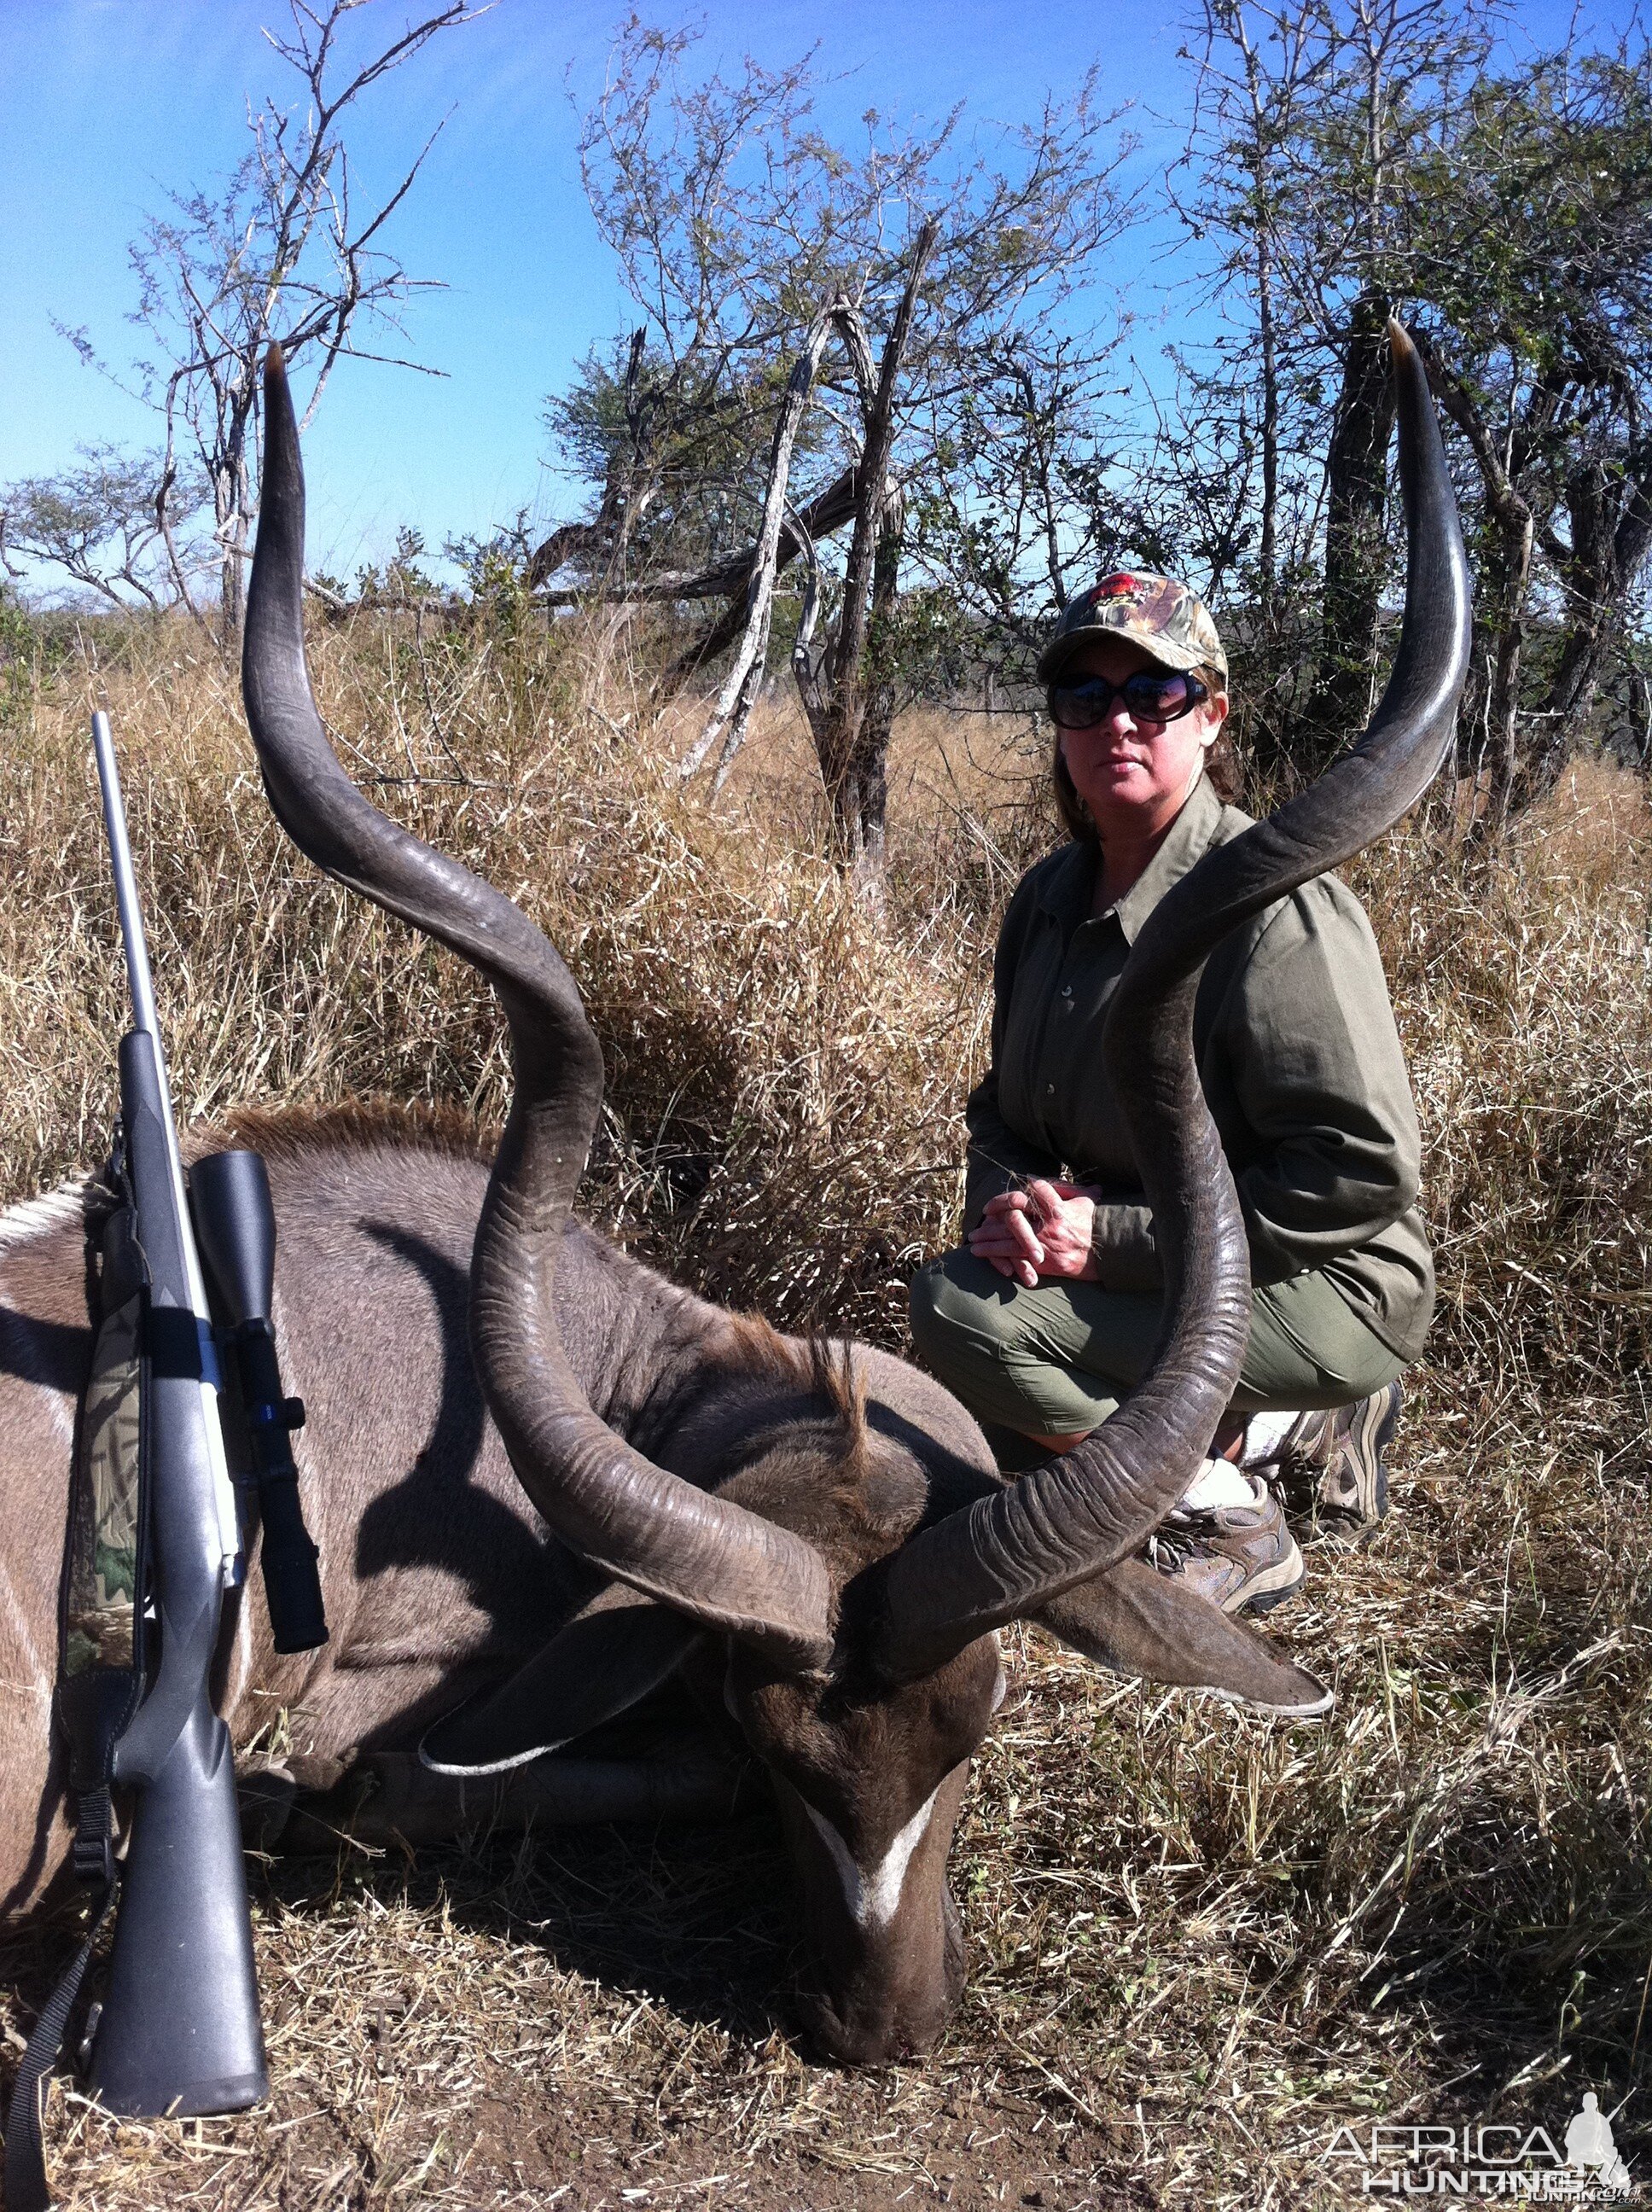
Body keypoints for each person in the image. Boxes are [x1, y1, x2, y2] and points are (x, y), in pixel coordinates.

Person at [909, 572, 1433, 1617]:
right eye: (1086, 697)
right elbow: (1003, 1109)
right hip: (1159, 1256)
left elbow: (1354, 1175)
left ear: (1212, 713)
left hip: (1322, 1279)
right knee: (987, 1436)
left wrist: (1105, 1244)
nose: (1120, 722)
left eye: (1156, 694)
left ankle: (1225, 1517)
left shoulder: (1276, 904)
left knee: (966, 1324)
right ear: (1058, 723)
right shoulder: (1047, 898)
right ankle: (1283, 1426)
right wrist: (1013, 1212)